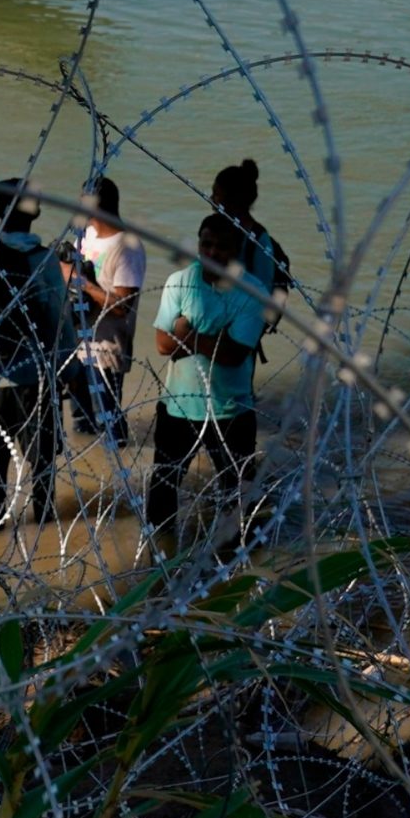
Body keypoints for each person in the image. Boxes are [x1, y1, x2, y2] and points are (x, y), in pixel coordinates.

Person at [146, 214, 268, 543]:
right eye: (206, 244)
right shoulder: (180, 280)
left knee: (240, 495)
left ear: (238, 250)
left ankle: (242, 562)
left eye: (222, 246)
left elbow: (233, 355)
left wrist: (185, 333)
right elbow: (161, 344)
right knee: (163, 492)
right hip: (178, 406)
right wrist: (213, 338)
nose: (212, 252)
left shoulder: (253, 292)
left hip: (230, 409)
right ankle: (159, 558)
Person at [0, 179, 72, 531]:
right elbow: (58, 319)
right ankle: (45, 528)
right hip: (34, 375)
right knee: (41, 461)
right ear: (34, 215)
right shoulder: (44, 259)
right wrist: (68, 371)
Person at [67, 175, 145, 446]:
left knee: (108, 423)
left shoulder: (127, 247)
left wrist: (80, 281)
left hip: (106, 351)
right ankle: (89, 470)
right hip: (78, 343)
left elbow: (123, 306)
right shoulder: (86, 235)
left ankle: (116, 479)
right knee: (81, 422)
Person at [210, 158, 293, 343]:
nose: (211, 199)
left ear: (234, 200)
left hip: (242, 334)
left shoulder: (259, 242)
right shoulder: (223, 234)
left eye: (216, 194)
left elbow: (260, 295)